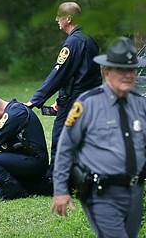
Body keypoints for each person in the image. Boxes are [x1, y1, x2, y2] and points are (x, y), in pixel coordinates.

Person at [51, 37, 146, 238]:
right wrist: (60, 189)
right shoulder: (86, 104)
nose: (128, 75)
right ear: (106, 72)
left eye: (132, 70)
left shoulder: (141, 105)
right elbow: (66, 148)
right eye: (121, 70)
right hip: (101, 193)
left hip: (135, 192)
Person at [25, 2, 102, 179]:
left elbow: (59, 73)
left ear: (69, 18)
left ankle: (55, 178)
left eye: (59, 16)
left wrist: (36, 100)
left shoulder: (73, 42)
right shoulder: (90, 38)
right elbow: (91, 74)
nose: (56, 19)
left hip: (73, 101)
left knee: (60, 137)